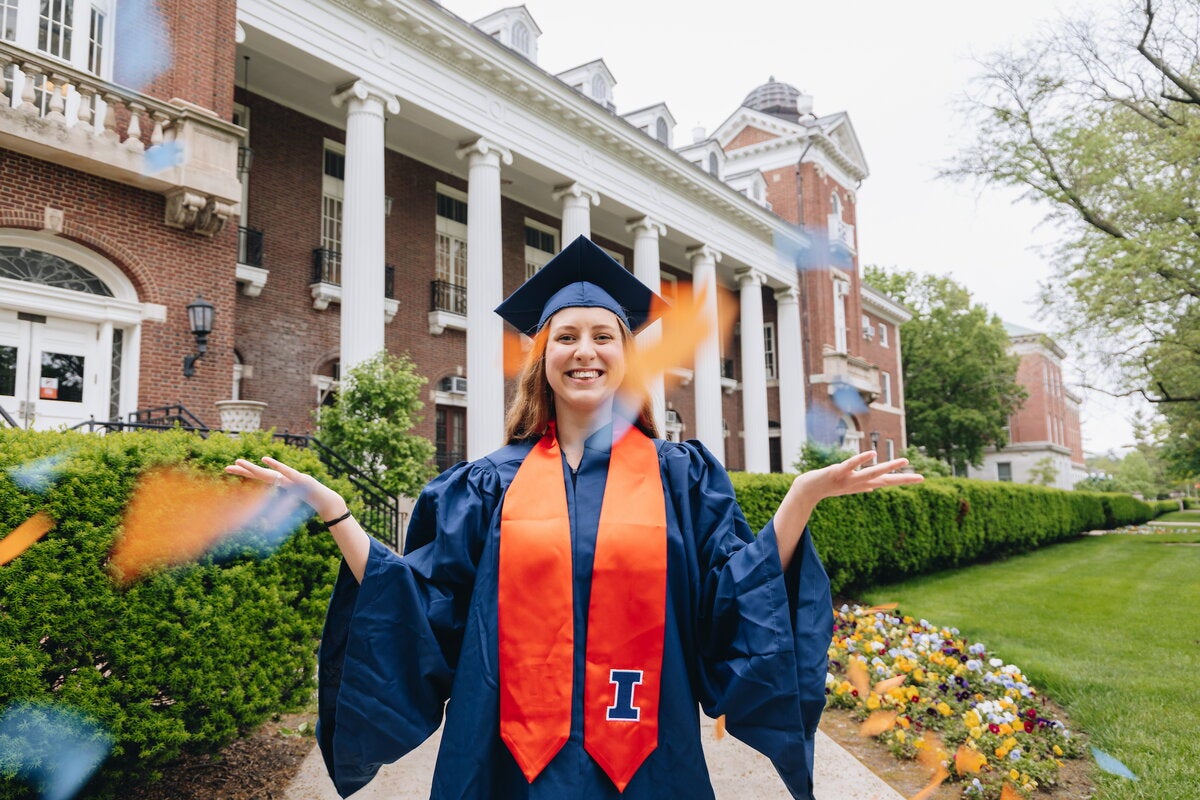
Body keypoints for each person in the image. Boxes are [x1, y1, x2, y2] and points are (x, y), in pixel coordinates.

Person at [225, 236, 923, 799]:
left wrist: (799, 499)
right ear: (543, 358)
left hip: (650, 758)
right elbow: (419, 602)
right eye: (566, 337)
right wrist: (335, 512)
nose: (584, 351)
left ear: (625, 355)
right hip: (505, 763)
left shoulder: (684, 478)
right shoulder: (485, 487)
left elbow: (734, 598)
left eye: (602, 336)